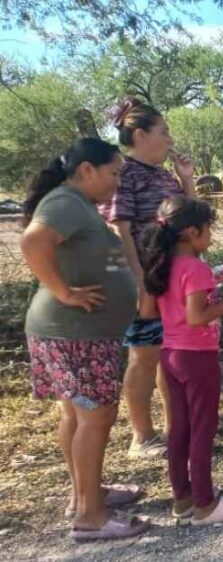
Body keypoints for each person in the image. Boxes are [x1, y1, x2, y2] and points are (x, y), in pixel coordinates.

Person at [21, 139, 148, 540]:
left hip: (74, 333)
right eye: (114, 173)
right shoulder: (65, 203)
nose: (117, 182)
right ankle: (91, 517)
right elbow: (32, 242)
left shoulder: (79, 205)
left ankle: (86, 495)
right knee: (96, 416)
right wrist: (64, 292)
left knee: (76, 415)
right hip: (74, 333)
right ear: (87, 170)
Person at [140, 196, 223, 525]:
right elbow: (196, 317)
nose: (211, 236)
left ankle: (183, 498)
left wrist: (208, 285)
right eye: (209, 229)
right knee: (203, 428)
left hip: (170, 355)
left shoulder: (161, 265)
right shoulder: (195, 267)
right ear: (192, 232)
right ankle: (206, 504)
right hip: (197, 357)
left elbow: (148, 311)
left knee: (179, 428)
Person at [103, 97, 197, 459]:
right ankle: (141, 436)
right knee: (144, 355)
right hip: (145, 281)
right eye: (163, 131)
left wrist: (187, 180)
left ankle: (176, 429)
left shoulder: (163, 175)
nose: (169, 138)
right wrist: (139, 278)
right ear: (140, 135)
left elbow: (190, 216)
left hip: (171, 277)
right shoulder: (123, 173)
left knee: (168, 352)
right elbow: (120, 228)